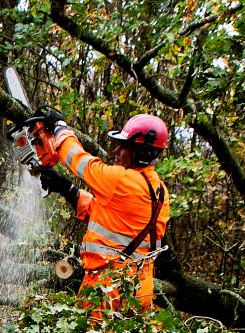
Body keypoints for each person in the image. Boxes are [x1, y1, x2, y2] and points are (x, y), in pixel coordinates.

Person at [28, 110, 171, 314]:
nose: (117, 151)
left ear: (142, 152)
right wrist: (68, 189)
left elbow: (77, 160)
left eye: (124, 147)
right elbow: (107, 216)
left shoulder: (121, 180)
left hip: (109, 287)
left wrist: (59, 128)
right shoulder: (159, 190)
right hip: (139, 287)